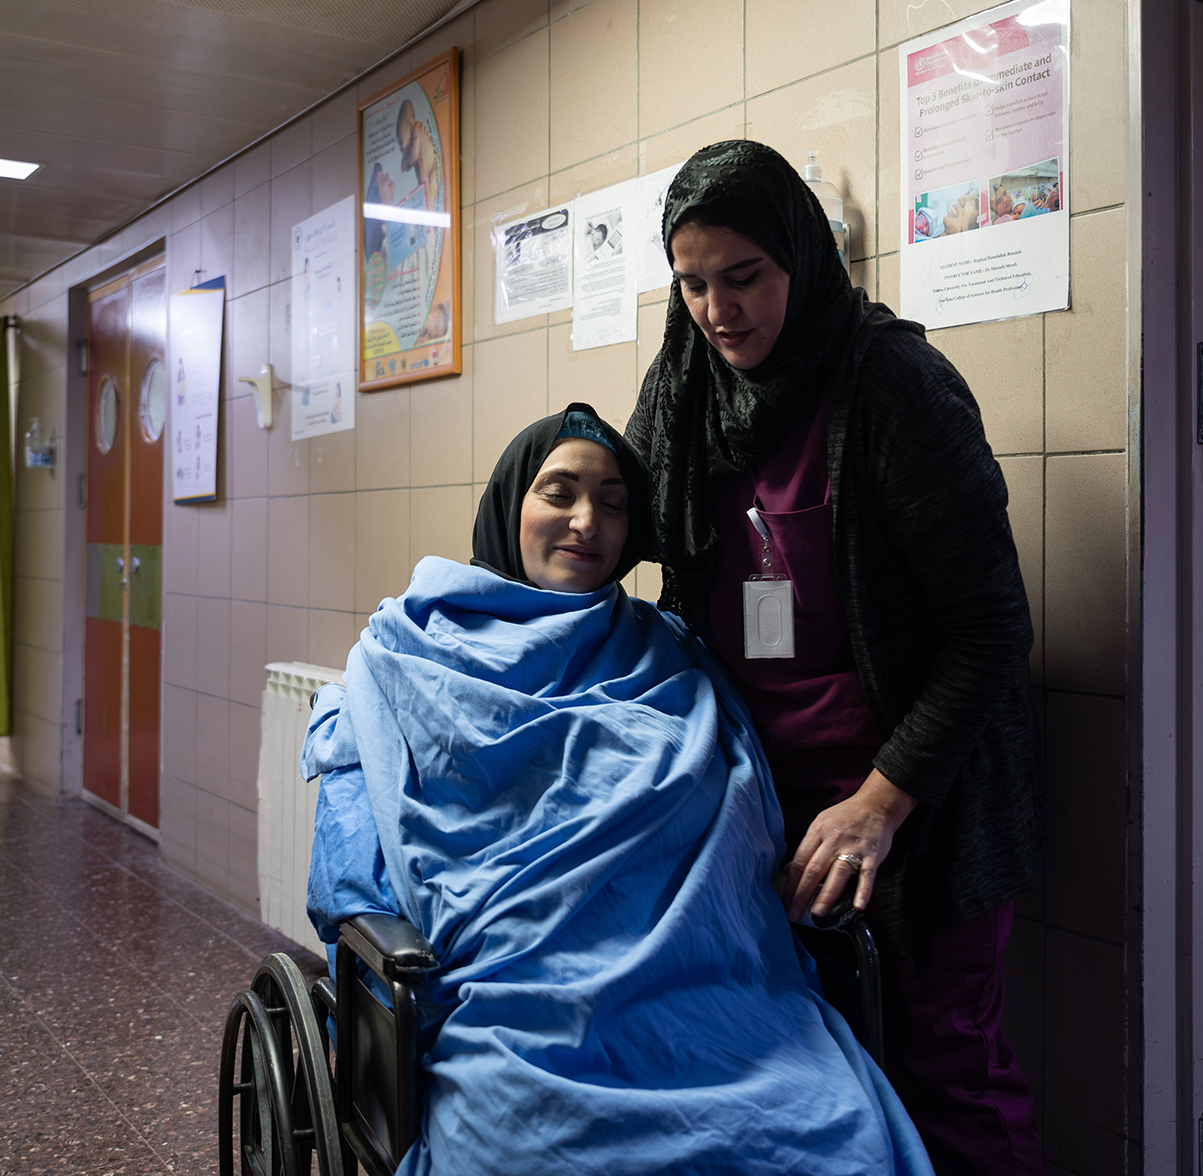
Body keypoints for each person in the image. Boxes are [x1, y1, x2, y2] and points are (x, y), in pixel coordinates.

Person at [302, 403, 930, 1176]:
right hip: (517, 997)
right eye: (558, 492)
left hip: (712, 988)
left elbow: (731, 827)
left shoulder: (665, 651)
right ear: (510, 501)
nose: (586, 521)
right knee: (531, 1143)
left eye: (612, 501)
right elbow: (354, 869)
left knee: (843, 1138)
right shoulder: (412, 650)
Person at [627, 140, 1043, 1175]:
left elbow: (990, 626)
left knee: (942, 1067)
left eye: (743, 276)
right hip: (768, 807)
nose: (717, 309)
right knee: (810, 1073)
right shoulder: (684, 385)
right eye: (691, 282)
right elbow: (610, 521)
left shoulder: (890, 384)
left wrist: (878, 803)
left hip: (917, 805)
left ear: (800, 259)